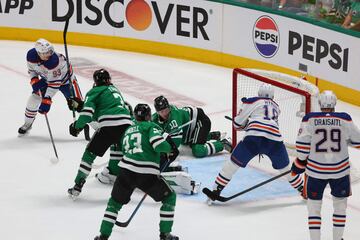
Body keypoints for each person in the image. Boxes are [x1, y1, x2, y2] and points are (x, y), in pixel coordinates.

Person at [206, 83, 304, 203]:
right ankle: (303, 190)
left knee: (232, 164)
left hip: (254, 138)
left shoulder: (251, 101)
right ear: (272, 96)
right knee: (286, 169)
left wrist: (245, 120)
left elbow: (237, 124)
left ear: (259, 94)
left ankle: (216, 190)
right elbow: (270, 124)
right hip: (275, 140)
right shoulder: (277, 107)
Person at [94, 103, 179, 240]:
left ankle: (103, 236)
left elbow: (126, 149)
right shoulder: (151, 126)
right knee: (169, 197)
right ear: (149, 116)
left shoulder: (128, 130)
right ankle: (165, 234)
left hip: (125, 172)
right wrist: (169, 150)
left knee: (114, 204)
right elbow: (158, 144)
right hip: (146, 174)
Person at [291, 90, 360, 240]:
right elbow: (358, 141)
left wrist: (299, 163)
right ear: (334, 103)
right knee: (340, 207)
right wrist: (345, 140)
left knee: (314, 209)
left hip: (315, 172)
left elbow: (302, 146)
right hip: (340, 172)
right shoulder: (345, 119)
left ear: (320, 104)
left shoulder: (309, 119)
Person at [67, 68, 133, 199]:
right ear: (109, 80)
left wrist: (77, 126)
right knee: (124, 154)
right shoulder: (115, 91)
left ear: (96, 82)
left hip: (109, 127)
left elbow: (88, 114)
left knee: (89, 155)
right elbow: (102, 111)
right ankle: (135, 181)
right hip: (127, 126)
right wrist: (81, 106)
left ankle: (78, 185)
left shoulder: (95, 91)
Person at [18, 38, 83, 135]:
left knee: (79, 106)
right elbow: (32, 70)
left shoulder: (53, 61)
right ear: (38, 53)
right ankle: (27, 124)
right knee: (33, 99)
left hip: (66, 81)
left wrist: (47, 100)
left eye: (50, 51)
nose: (49, 54)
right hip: (47, 79)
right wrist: (34, 79)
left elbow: (54, 84)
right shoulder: (31, 56)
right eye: (45, 53)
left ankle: (98, 127)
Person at [152, 95, 232, 159]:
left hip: (200, 120)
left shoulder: (174, 119)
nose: (165, 113)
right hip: (190, 127)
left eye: (166, 110)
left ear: (169, 107)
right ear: (157, 112)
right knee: (186, 141)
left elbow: (175, 145)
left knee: (198, 150)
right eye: (162, 111)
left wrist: (160, 151)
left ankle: (223, 143)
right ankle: (213, 135)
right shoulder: (154, 118)